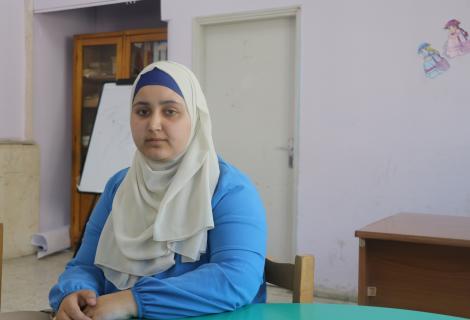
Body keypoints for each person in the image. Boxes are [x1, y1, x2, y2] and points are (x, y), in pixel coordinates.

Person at [49, 61, 267, 320]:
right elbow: (85, 265)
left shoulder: (230, 190)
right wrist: (75, 292)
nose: (153, 124)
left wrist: (132, 301)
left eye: (170, 112)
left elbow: (235, 278)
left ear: (194, 118)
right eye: (142, 111)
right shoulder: (119, 186)